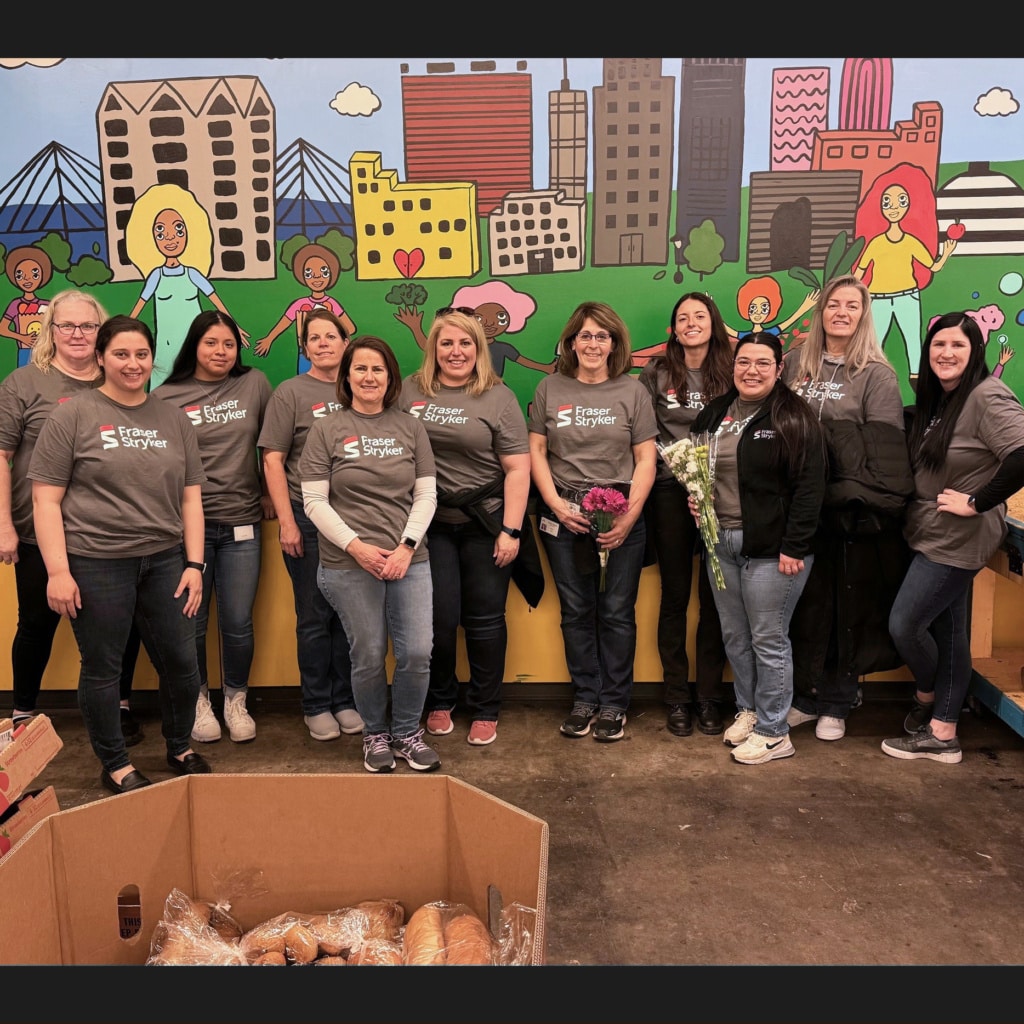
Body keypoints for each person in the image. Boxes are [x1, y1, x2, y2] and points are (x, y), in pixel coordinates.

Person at [29, 315, 212, 794]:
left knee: (181, 661)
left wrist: (195, 563)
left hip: (166, 560)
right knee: (104, 667)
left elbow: (192, 496)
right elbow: (45, 500)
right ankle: (114, 763)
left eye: (142, 354)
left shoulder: (173, 416)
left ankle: (179, 745)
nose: (133, 364)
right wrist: (58, 572)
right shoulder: (72, 415)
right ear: (101, 358)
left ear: (154, 358)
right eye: (121, 354)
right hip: (95, 561)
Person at [0, 290, 144, 745]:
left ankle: (119, 706)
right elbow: (2, 456)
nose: (78, 334)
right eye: (67, 326)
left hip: (108, 534)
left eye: (88, 326)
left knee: (122, 625)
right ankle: (22, 713)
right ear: (51, 331)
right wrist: (3, 524)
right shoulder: (25, 383)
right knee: (37, 623)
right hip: (36, 531)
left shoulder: (121, 380)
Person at [882, 312, 1024, 764]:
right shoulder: (943, 399)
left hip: (958, 537)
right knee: (951, 630)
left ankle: (929, 697)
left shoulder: (986, 395)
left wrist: (978, 502)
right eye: (938, 345)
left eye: (957, 346)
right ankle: (943, 730)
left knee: (905, 623)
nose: (946, 354)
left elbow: (1021, 453)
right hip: (931, 532)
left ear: (974, 351)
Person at [300, 335, 439, 774]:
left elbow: (427, 494)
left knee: (417, 651)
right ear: (346, 376)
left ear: (390, 377)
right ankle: (376, 733)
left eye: (377, 368)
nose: (368, 376)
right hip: (348, 563)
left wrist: (405, 547)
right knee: (368, 653)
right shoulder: (326, 428)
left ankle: (406, 733)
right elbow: (314, 502)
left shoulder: (410, 427)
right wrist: (357, 548)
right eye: (359, 368)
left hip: (408, 561)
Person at [784, 275, 914, 741]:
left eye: (851, 306)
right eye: (833, 304)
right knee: (804, 605)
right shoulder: (794, 362)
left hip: (848, 509)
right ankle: (803, 697)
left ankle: (837, 701)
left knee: (845, 605)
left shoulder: (877, 374)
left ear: (863, 315)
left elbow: (881, 447)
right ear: (821, 312)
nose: (841, 312)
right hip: (797, 505)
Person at [399, 308, 532, 747]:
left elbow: (517, 467)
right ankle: (440, 701)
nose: (456, 352)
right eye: (447, 343)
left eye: (465, 344)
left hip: (486, 521)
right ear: (433, 348)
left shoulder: (498, 396)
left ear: (479, 348)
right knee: (435, 620)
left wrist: (511, 531)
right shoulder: (409, 391)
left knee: (485, 619)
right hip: (428, 523)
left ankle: (486, 706)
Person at [691, 335, 827, 765]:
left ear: (779, 366)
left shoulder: (794, 417)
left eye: (762, 363)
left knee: (769, 639)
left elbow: (811, 487)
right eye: (744, 362)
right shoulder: (716, 413)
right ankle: (749, 711)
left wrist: (796, 545)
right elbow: (699, 468)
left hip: (774, 550)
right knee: (736, 636)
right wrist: (696, 497)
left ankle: (774, 731)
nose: (751, 370)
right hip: (722, 543)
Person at [528, 301, 657, 743]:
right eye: (585, 335)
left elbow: (645, 459)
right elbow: (537, 452)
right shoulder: (550, 388)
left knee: (618, 612)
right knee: (576, 612)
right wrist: (556, 505)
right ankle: (586, 696)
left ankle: (615, 703)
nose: (593, 343)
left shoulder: (633, 391)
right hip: (564, 515)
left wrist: (629, 516)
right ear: (570, 342)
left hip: (621, 512)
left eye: (602, 336)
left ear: (615, 343)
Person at [154, 311, 274, 745]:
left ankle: (236, 700)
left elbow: (271, 445)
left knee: (238, 622)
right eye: (211, 343)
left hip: (243, 521)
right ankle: (199, 701)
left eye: (228, 344)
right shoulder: (166, 396)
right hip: (189, 527)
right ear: (194, 346)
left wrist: (265, 492)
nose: (220, 352)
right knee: (193, 623)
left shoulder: (255, 384)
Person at [257, 310, 363, 742]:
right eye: (313, 338)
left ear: (345, 341)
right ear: (303, 347)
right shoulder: (290, 393)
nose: (322, 343)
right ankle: (317, 703)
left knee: (351, 615)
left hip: (358, 520)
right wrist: (286, 521)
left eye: (330, 335)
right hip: (306, 515)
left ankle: (346, 699)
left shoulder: (363, 383)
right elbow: (273, 459)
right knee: (315, 615)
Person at [639, 293, 732, 737]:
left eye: (699, 316)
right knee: (675, 598)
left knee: (716, 598)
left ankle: (710, 696)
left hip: (724, 496)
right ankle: (676, 696)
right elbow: (641, 433)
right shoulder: (656, 372)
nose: (691, 323)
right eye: (682, 318)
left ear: (713, 323)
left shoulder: (734, 367)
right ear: (673, 328)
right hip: (669, 494)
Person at [126, 183, 248, 388]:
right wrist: (122, 336)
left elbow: (215, 300)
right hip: (166, 349)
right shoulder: (156, 276)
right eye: (161, 232)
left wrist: (233, 326)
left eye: (178, 229)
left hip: (195, 348)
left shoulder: (193, 274)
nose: (171, 237)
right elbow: (138, 307)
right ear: (152, 238)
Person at [853, 164, 957, 383]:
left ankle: (918, 384)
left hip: (907, 296)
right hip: (878, 299)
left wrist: (946, 253)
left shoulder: (911, 241)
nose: (893, 207)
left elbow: (933, 266)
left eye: (900, 201)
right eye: (887, 202)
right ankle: (869, 382)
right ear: (880, 206)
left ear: (908, 206)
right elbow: (859, 273)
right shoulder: (876, 243)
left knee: (912, 341)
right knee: (874, 343)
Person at [253, 242, 357, 374]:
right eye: (309, 273)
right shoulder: (300, 304)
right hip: (305, 353)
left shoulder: (331, 304)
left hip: (330, 356)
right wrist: (269, 339)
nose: (317, 277)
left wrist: (331, 326)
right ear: (302, 276)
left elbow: (351, 327)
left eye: (324, 271)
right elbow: (285, 321)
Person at [0, 246, 53, 368]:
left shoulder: (47, 305)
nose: (27, 279)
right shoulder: (15, 304)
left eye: (34, 273)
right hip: (25, 352)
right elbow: (2, 328)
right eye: (20, 275)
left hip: (47, 351)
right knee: (24, 383)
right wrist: (22, 337)